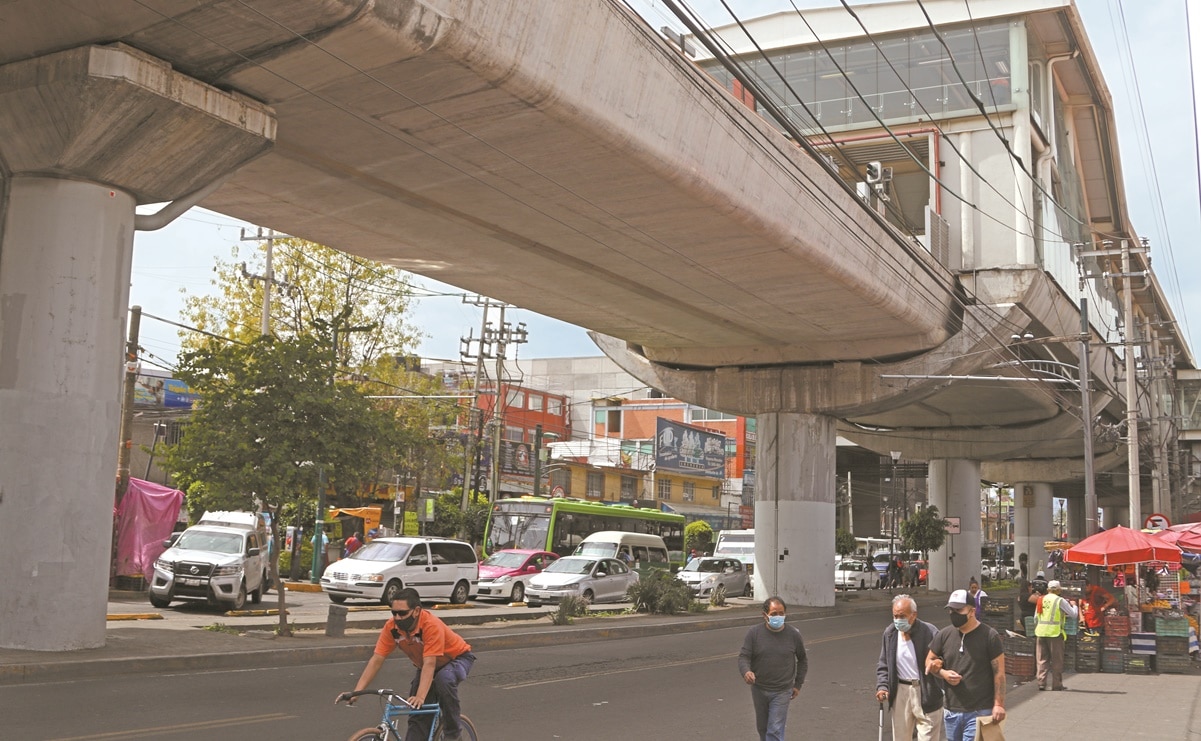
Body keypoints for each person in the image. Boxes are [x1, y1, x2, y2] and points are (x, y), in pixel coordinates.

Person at [338, 589, 476, 741]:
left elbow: (430, 663)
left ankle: (453, 734)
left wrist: (420, 697)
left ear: (416, 611)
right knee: (417, 715)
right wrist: (357, 692)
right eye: (394, 613)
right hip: (426, 667)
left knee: (444, 679)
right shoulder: (392, 628)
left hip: (457, 660)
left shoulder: (430, 625)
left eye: (402, 613)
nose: (397, 617)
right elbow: (376, 660)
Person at [926, 589, 1006, 741]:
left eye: (959, 610)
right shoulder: (944, 634)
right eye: (951, 610)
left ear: (972, 611)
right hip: (951, 711)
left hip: (979, 711)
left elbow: (999, 673)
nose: (954, 614)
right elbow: (929, 661)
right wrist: (943, 673)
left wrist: (999, 704)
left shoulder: (990, 636)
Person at [875, 595, 945, 741]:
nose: (898, 620)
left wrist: (940, 662)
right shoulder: (890, 633)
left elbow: (944, 657)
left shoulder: (929, 632)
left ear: (914, 615)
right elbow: (884, 664)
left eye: (902, 616)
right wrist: (882, 686)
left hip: (927, 691)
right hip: (901, 693)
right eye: (895, 616)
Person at [738, 596, 808, 741]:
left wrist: (798, 684)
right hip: (759, 689)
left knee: (775, 730)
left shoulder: (793, 634)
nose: (778, 617)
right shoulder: (754, 633)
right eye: (774, 614)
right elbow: (744, 656)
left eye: (781, 613)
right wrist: (746, 671)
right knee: (763, 729)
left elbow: (802, 660)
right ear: (765, 615)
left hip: (782, 690)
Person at [1029, 580, 1077, 691]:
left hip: (1041, 633)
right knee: (1056, 660)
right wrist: (1074, 605)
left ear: (1048, 589)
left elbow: (1036, 617)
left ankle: (1041, 682)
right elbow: (1073, 614)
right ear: (1059, 590)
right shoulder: (1060, 600)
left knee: (1042, 659)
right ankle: (1057, 684)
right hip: (1055, 634)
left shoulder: (1041, 599)